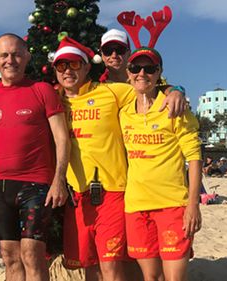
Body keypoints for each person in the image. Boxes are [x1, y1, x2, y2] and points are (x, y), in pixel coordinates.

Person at [52, 35, 186, 281]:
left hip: (113, 192)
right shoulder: (53, 100)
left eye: (74, 64)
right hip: (77, 197)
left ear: (86, 66)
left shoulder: (112, 92)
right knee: (89, 266)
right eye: (61, 65)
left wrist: (175, 90)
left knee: (112, 266)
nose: (68, 70)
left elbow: (147, 86)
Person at [0, 33, 70, 281]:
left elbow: (62, 138)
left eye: (17, 54)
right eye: (5, 55)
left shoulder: (42, 90)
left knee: (32, 254)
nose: (11, 60)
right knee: (9, 255)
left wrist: (58, 179)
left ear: (27, 56)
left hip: (37, 184)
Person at [119, 7, 202, 280]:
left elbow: (194, 157)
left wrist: (193, 205)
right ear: (128, 73)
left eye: (149, 68)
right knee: (150, 277)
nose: (142, 73)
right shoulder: (123, 111)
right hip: (136, 206)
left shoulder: (175, 109)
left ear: (159, 73)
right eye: (136, 67)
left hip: (173, 205)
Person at [100, 29, 186, 117]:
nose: (114, 56)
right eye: (108, 51)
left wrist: (176, 91)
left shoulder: (142, 80)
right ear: (102, 55)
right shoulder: (96, 85)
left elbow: (160, 89)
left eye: (120, 50)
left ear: (128, 53)